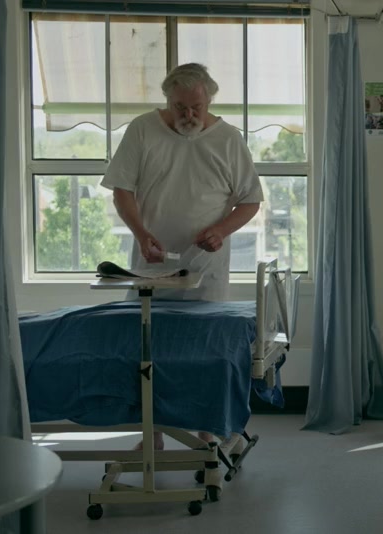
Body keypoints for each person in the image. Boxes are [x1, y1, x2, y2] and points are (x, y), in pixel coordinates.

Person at [102, 63, 264, 448]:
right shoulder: (143, 130)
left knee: (206, 352)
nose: (188, 115)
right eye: (180, 107)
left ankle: (207, 431)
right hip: (151, 264)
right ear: (167, 100)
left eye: (196, 107)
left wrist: (221, 230)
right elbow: (122, 191)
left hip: (206, 267)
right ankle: (153, 434)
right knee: (147, 350)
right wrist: (141, 234)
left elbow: (250, 201)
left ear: (209, 101)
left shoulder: (228, 139)